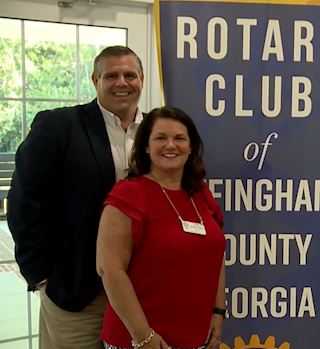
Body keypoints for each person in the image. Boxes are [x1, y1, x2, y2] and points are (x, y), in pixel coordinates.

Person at [8, 45, 144, 348]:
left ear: (142, 79)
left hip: (141, 292)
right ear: (95, 80)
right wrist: (41, 275)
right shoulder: (58, 126)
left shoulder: (156, 133)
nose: (121, 82)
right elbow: (24, 203)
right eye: (111, 75)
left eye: (129, 75)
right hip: (78, 293)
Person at [96, 106, 226, 349]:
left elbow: (215, 256)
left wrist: (219, 311)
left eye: (179, 138)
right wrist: (143, 337)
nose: (170, 145)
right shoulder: (128, 195)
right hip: (139, 341)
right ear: (146, 146)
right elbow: (110, 270)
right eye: (160, 138)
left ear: (190, 147)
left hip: (197, 338)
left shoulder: (201, 195)